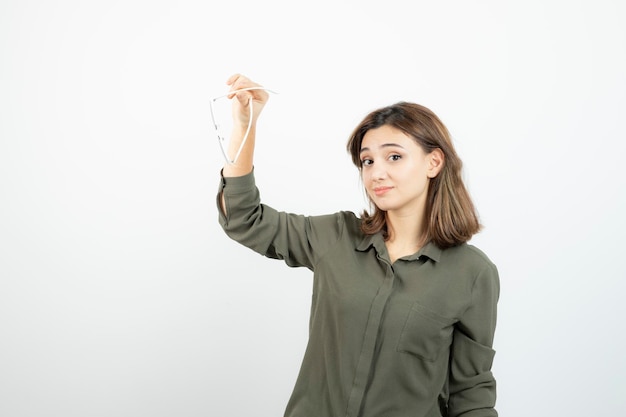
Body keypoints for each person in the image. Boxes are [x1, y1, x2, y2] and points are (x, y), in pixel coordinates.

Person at [217, 74, 499, 417]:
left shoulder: (472, 273)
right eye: (368, 161)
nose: (376, 173)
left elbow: (471, 392)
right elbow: (243, 218)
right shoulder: (335, 237)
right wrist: (245, 125)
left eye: (394, 157)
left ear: (433, 162)